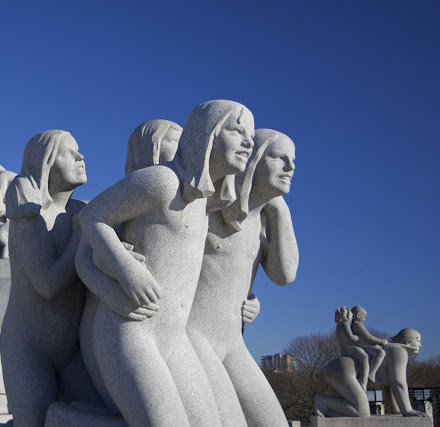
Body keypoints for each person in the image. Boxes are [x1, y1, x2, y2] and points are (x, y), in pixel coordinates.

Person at [76, 101, 255, 426]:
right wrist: (125, 270)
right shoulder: (162, 181)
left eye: (251, 136)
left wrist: (249, 300)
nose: (248, 142)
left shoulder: (203, 202)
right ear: (206, 133)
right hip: (131, 331)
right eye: (237, 130)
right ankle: (63, 418)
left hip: (176, 338)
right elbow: (92, 215)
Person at [186, 128, 298, 426]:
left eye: (293, 160)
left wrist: (279, 209)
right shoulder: (210, 207)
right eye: (280, 158)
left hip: (232, 342)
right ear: (254, 159)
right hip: (193, 335)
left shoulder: (264, 220)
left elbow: (284, 275)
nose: (291, 167)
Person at [0, 130, 91, 427]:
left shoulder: (82, 211)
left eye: (79, 151)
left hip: (73, 350)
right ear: (44, 164)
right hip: (28, 348)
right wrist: (81, 237)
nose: (81, 157)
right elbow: (47, 284)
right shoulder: (29, 210)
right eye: (67, 153)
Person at [316, 328, 427, 418]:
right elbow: (398, 383)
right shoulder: (399, 351)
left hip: (339, 367)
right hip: (345, 370)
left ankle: (327, 407)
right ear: (407, 341)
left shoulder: (390, 349)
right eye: (418, 341)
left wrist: (397, 410)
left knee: (358, 409)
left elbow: (389, 386)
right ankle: (324, 402)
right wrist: (407, 410)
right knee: (362, 413)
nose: (420, 345)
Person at [334, 306, 372, 391]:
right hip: (348, 348)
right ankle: (364, 380)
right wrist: (362, 338)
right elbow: (351, 337)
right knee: (364, 357)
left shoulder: (339, 325)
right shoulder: (345, 324)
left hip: (344, 349)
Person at [350, 306, 387, 383]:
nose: (365, 319)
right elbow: (368, 337)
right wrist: (380, 341)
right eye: (364, 317)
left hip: (362, 346)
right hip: (362, 347)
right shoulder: (357, 324)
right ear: (358, 315)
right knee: (380, 352)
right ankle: (371, 373)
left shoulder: (353, 325)